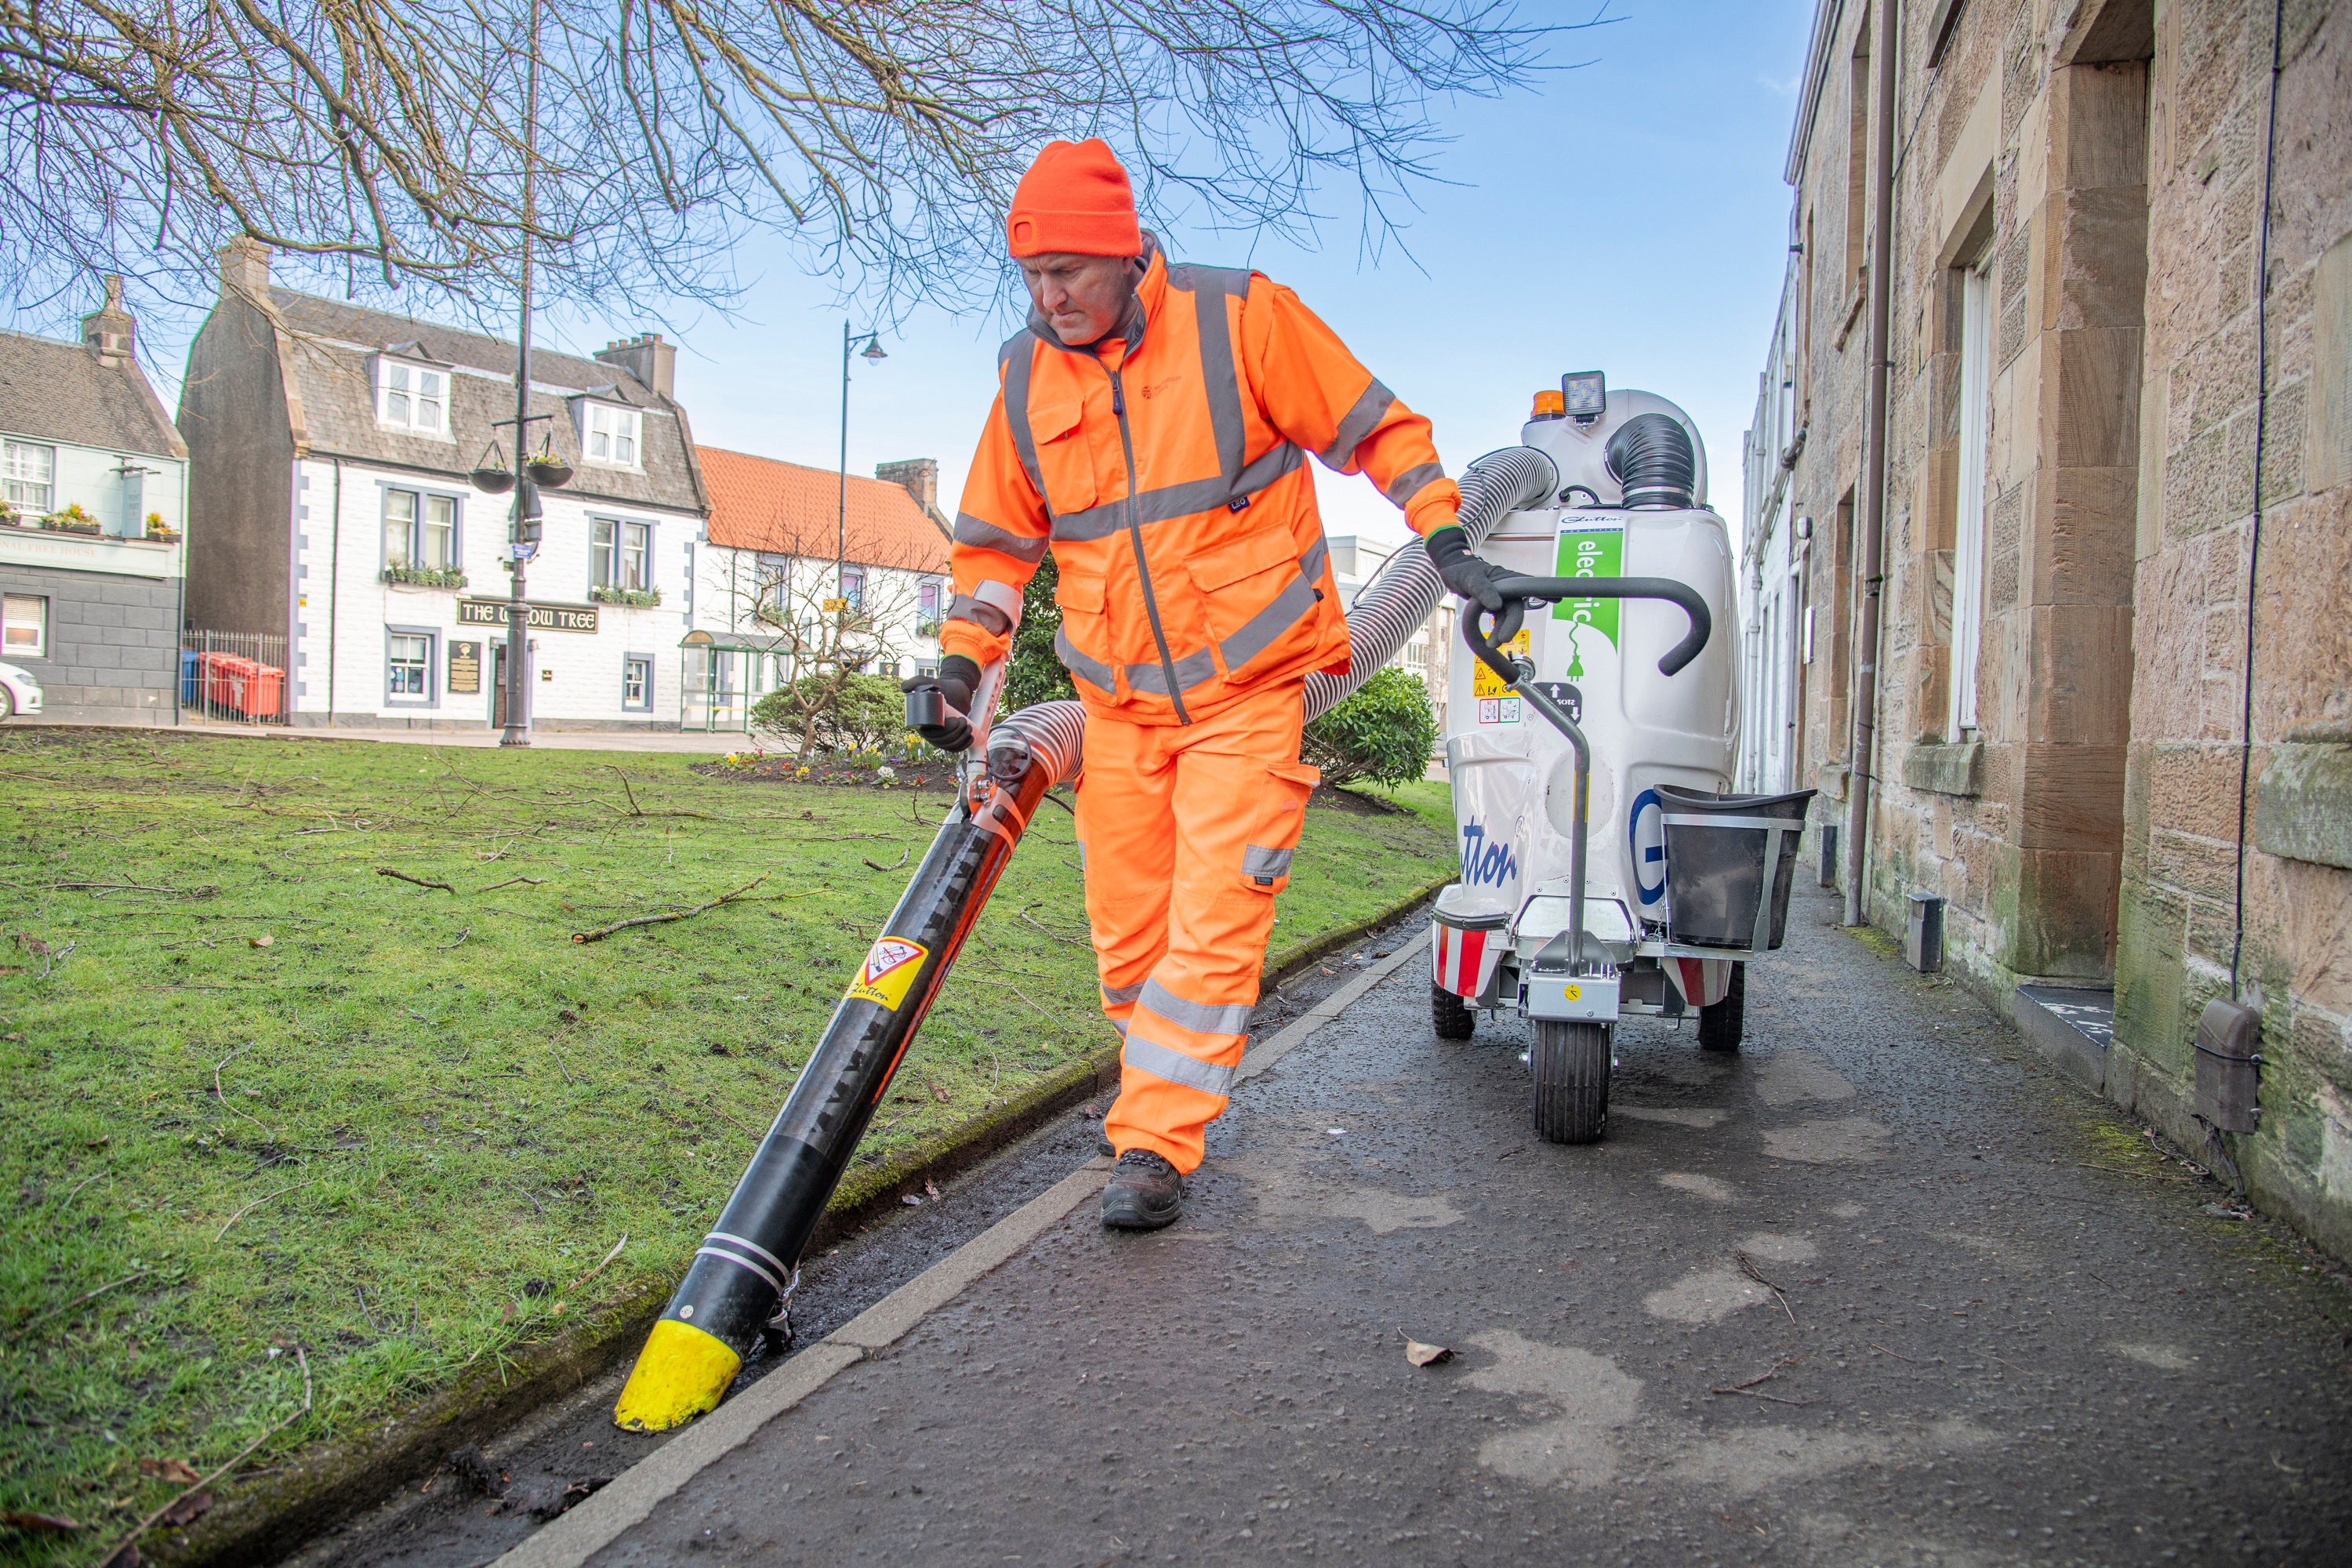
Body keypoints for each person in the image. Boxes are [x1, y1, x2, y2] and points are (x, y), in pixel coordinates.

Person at [905, 138, 1511, 1230]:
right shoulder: (1026, 376)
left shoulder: (1240, 321)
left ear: (1127, 252)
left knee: (1217, 918)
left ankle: (1153, 1143)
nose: (1050, 298)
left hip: (1248, 690)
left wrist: (1445, 531)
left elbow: (1378, 427)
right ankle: (1154, 1089)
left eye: (1069, 275)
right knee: (1132, 938)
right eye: (1032, 278)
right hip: (1122, 709)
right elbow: (994, 547)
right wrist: (964, 663)